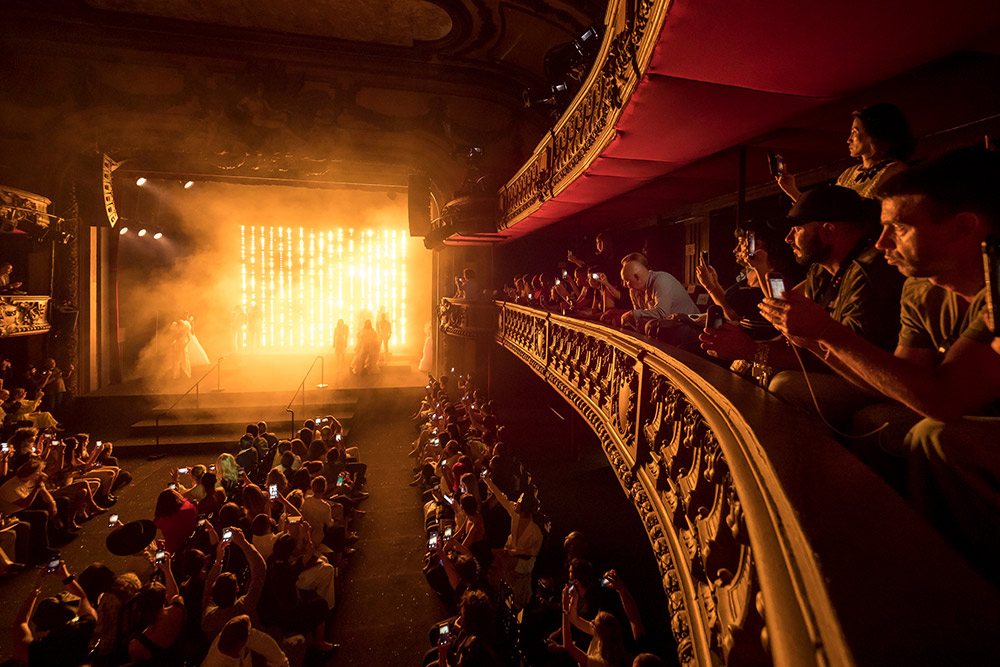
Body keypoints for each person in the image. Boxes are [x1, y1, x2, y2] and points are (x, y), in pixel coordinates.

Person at [758, 146, 1000, 582]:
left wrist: (828, 333)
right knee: (881, 422)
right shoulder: (922, 291)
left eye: (899, 228)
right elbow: (898, 385)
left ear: (964, 228)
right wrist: (812, 341)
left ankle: (959, 576)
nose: (882, 243)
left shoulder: (992, 289)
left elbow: (941, 400)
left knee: (934, 436)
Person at [702, 186, 904, 426]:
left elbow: (841, 355)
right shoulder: (822, 269)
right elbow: (790, 323)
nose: (788, 237)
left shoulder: (868, 272)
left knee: (782, 384)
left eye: (796, 229)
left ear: (829, 230)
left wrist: (752, 348)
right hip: (806, 351)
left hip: (868, 379)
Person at [778, 103, 914, 201]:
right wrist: (793, 191)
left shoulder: (895, 172)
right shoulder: (848, 174)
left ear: (875, 133)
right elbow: (827, 211)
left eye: (855, 132)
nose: (849, 140)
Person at [483, 473, 542, 609]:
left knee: (501, 563)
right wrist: (488, 482)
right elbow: (501, 497)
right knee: (496, 561)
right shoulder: (515, 513)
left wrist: (510, 553)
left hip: (524, 561)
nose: (516, 502)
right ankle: (497, 594)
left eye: (519, 501)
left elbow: (529, 554)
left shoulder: (535, 533)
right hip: (512, 553)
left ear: (524, 508)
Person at [619, 258, 699, 331]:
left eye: (627, 281)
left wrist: (633, 314)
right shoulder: (634, 290)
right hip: (670, 330)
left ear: (637, 277)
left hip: (692, 329)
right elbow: (639, 320)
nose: (625, 285)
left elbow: (661, 314)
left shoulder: (662, 280)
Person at [202, 614, 289, 667]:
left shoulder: (234, 634)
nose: (251, 633)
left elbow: (266, 644)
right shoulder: (214, 664)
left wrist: (282, 663)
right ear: (242, 643)